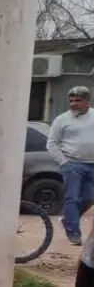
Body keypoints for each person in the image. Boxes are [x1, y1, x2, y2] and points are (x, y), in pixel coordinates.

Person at [47, 86, 94, 246]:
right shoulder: (62, 120)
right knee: (72, 198)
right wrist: (64, 163)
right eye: (71, 100)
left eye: (77, 100)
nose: (73, 103)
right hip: (72, 164)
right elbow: (52, 144)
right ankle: (73, 232)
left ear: (87, 102)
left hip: (92, 165)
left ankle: (67, 218)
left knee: (90, 198)